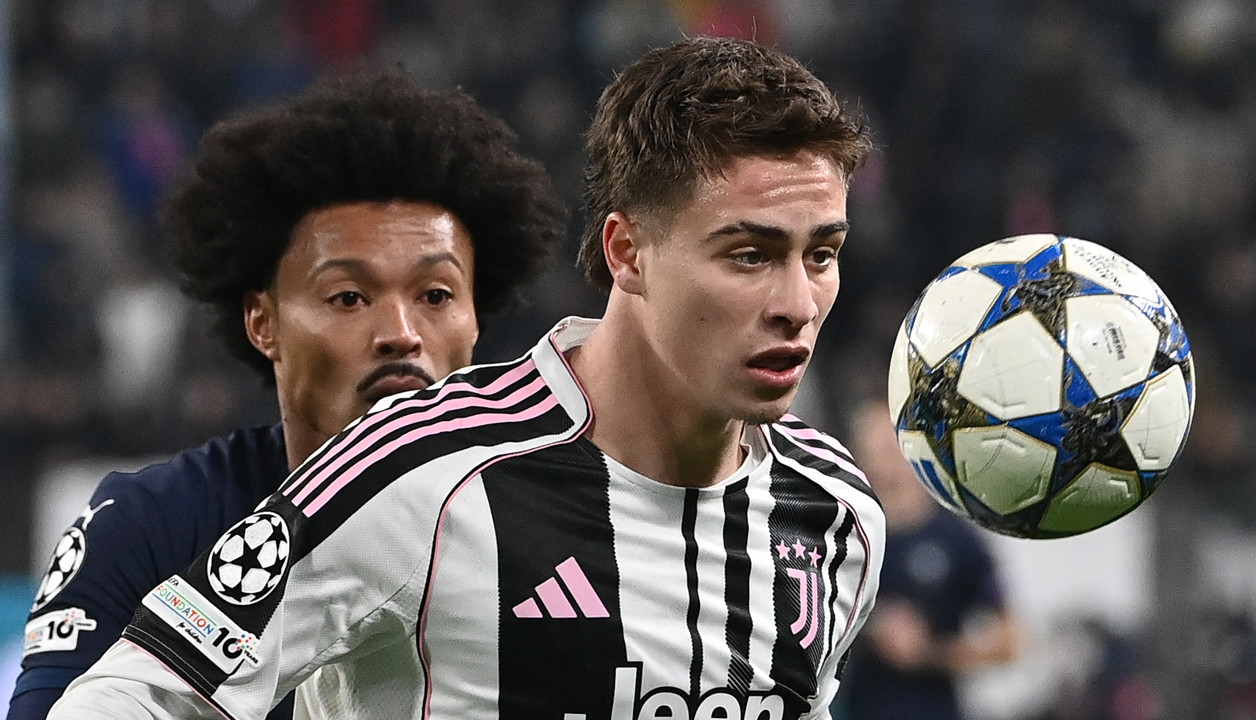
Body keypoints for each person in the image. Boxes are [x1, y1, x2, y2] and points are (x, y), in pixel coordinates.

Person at [47, 36, 885, 719]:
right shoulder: (420, 470)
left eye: (821, 254)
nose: (796, 303)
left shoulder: (837, 511)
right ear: (627, 252)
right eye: (749, 255)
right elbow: (132, 698)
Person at [12, 68, 566, 720]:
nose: (401, 333)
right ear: (263, 322)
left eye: (436, 295)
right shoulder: (147, 527)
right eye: (349, 297)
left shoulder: (555, 536)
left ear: (476, 319)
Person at [833, 401, 1019, 720]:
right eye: (868, 451)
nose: (877, 463)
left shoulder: (955, 539)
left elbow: (1010, 642)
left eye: (886, 450)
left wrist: (928, 652)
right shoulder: (842, 537)